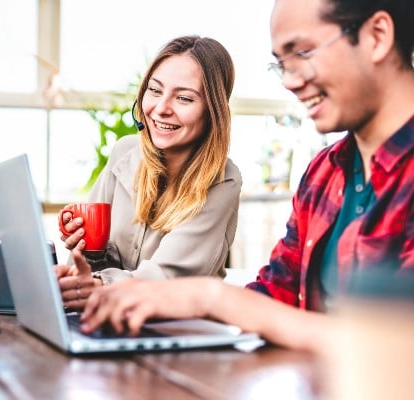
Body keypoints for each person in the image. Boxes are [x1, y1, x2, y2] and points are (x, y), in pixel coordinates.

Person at [79, 0, 414, 352]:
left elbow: (397, 347)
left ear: (377, 36)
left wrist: (211, 297)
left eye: (303, 52)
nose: (288, 81)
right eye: (281, 63)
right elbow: (276, 296)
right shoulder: (324, 174)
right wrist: (179, 301)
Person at [57, 35, 242, 309]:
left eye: (184, 98)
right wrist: (86, 252)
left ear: (212, 112)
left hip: (178, 330)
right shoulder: (124, 154)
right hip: (109, 318)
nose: (161, 109)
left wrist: (95, 285)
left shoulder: (222, 180)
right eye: (155, 91)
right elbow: (88, 266)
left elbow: (166, 279)